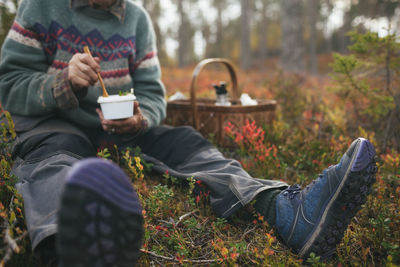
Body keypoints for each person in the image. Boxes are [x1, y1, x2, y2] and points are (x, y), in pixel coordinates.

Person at [0, 0, 377, 266]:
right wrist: (62, 83)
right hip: (55, 124)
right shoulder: (40, 6)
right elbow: (8, 82)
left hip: (118, 131)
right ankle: (72, 246)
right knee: (52, 160)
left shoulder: (136, 19)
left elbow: (150, 94)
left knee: (187, 143)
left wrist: (140, 118)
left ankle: (290, 214)